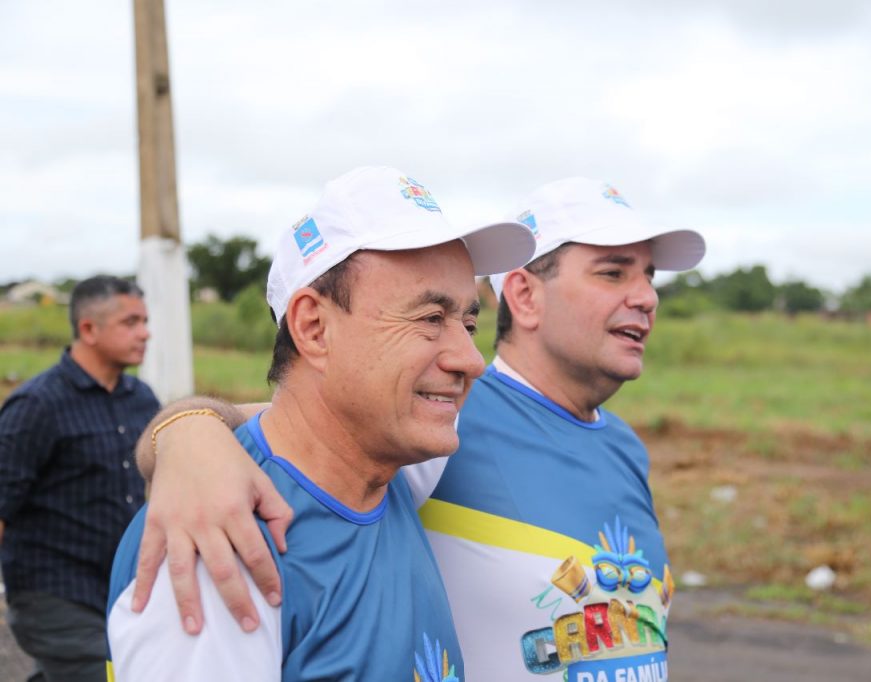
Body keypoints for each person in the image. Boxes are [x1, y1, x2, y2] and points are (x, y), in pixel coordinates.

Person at [131, 176, 705, 680]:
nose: (647, 297)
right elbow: (288, 426)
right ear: (525, 295)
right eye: (613, 272)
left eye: (467, 322)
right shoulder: (432, 431)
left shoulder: (618, 445)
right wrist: (188, 431)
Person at [105, 166, 536, 681]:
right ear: (313, 327)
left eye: (468, 324)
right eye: (429, 319)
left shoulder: (391, 469)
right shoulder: (219, 547)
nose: (471, 360)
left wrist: (187, 427)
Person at [0, 275, 159, 682]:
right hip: (54, 594)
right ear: (88, 329)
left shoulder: (142, 399)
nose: (145, 333)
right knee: (110, 674)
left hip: (121, 588)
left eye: (144, 320)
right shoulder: (36, 406)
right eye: (131, 322)